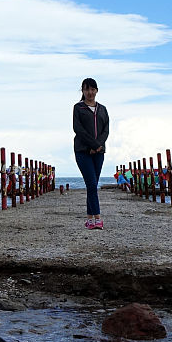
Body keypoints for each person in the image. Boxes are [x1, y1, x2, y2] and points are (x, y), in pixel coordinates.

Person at [72, 77, 109, 230]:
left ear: (97, 91)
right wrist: (92, 145)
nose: (90, 92)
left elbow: (106, 130)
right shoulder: (78, 108)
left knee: (92, 186)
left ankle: (89, 219)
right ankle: (98, 219)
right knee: (92, 184)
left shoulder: (103, 109)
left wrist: (98, 145)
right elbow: (78, 129)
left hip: (99, 152)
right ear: (83, 91)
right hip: (83, 151)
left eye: (92, 89)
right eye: (87, 89)